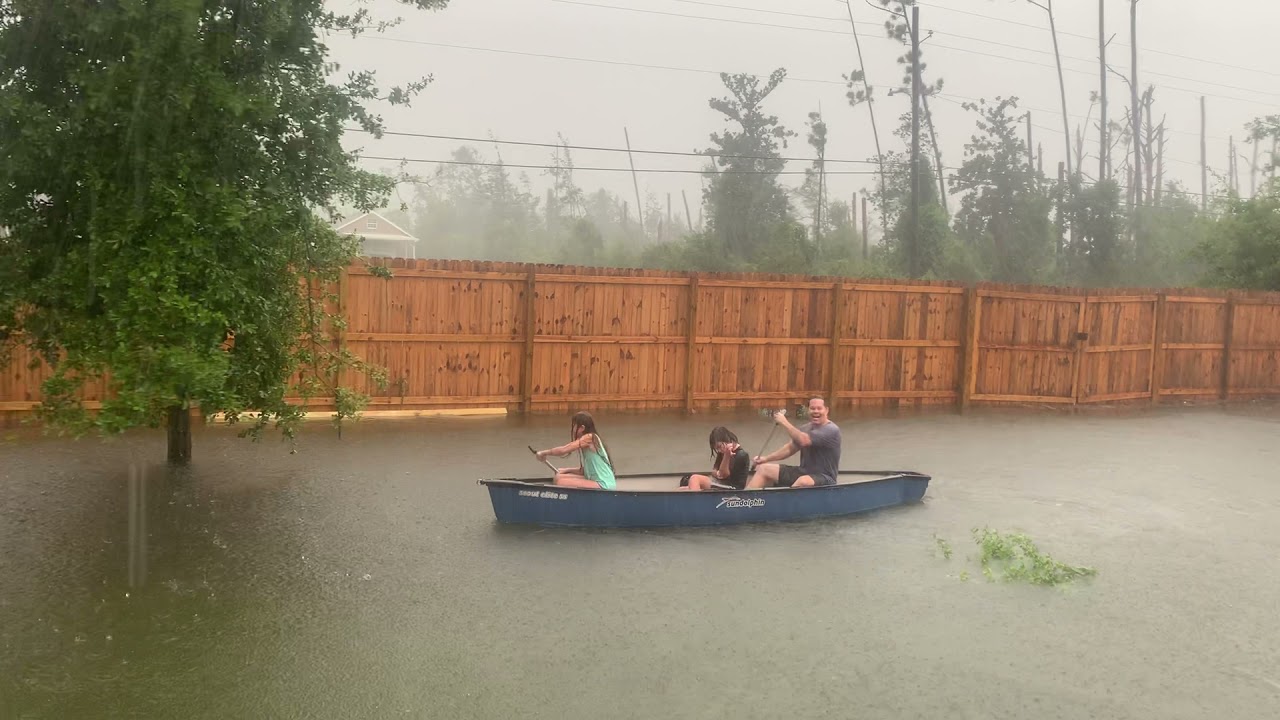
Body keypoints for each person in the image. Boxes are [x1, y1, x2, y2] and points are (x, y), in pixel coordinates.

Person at [746, 397, 841, 489]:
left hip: (825, 477)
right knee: (763, 469)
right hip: (804, 472)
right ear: (808, 410)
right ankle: (745, 501)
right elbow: (790, 448)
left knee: (803, 481)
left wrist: (785, 422)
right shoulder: (805, 428)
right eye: (812, 408)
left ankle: (785, 503)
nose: (815, 411)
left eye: (819, 408)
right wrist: (765, 459)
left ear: (826, 410)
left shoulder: (831, 430)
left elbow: (804, 441)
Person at [534, 411, 616, 490]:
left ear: (582, 428)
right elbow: (587, 470)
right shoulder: (587, 440)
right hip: (594, 479)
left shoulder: (589, 438)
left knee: (561, 482)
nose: (572, 429)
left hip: (604, 484)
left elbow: (563, 450)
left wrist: (543, 453)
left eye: (574, 426)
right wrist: (566, 470)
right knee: (558, 477)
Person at [678, 426, 751, 491]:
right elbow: (714, 471)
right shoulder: (722, 451)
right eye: (717, 449)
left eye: (719, 447)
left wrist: (726, 456)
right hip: (720, 483)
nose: (719, 450)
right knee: (682, 489)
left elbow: (724, 474)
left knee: (695, 478)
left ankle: (696, 505)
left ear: (726, 439)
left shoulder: (741, 455)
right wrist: (717, 473)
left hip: (732, 488)